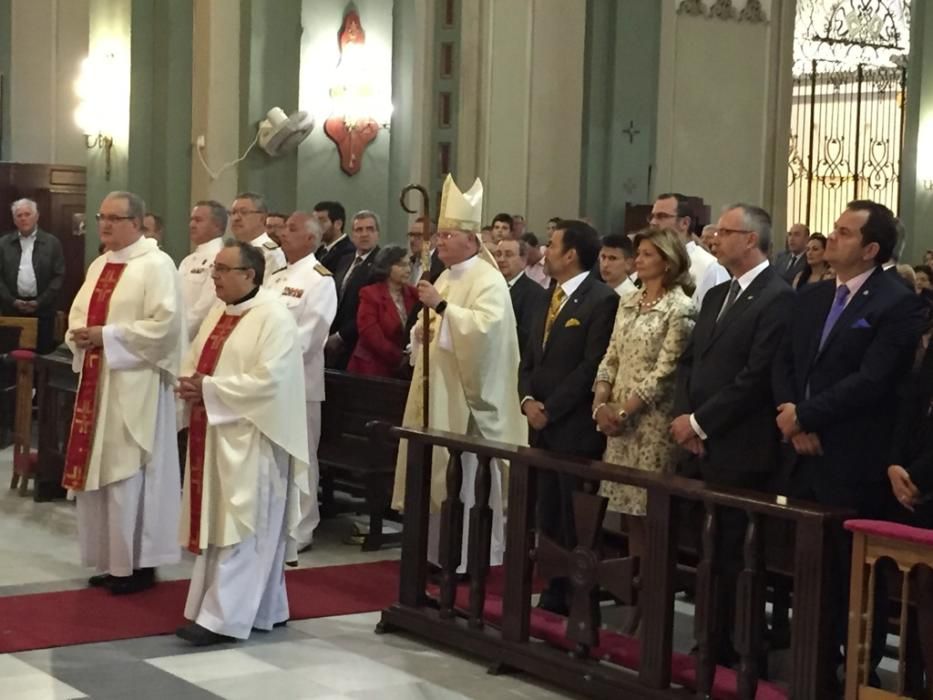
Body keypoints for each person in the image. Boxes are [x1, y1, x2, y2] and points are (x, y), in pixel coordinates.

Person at [773, 199, 927, 687]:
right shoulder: (814, 295)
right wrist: (793, 418)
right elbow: (787, 361)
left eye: (843, 232)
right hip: (801, 453)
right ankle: (810, 661)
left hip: (853, 455)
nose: (831, 237)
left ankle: (858, 668)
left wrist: (808, 414)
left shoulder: (896, 302)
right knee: (809, 569)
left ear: (872, 248)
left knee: (854, 576)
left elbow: (874, 379)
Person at [670, 204, 794, 663]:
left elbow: (756, 376)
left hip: (742, 446)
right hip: (701, 442)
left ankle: (742, 645)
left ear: (751, 240)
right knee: (707, 550)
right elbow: (691, 362)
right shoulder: (719, 292)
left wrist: (701, 422)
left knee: (737, 553)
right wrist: (686, 418)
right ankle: (712, 637)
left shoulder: (776, 297)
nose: (714, 238)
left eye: (725, 231)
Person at [392, 174, 527, 574]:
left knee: (465, 479)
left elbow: (485, 334)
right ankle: (435, 554)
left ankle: (468, 558)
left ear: (472, 240)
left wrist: (443, 310)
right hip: (438, 393)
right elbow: (428, 330)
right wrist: (422, 329)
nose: (440, 242)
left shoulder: (488, 281)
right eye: (440, 235)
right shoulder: (447, 276)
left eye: (448, 235)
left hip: (467, 401)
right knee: (436, 476)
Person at [177, 240, 309, 646]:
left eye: (222, 269)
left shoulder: (274, 317)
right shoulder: (221, 310)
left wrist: (210, 389)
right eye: (214, 268)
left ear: (249, 275)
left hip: (255, 439)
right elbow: (196, 358)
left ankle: (222, 619)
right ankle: (267, 607)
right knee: (224, 522)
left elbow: (271, 381)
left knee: (244, 526)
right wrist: (191, 384)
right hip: (217, 434)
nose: (213, 276)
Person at [64, 190, 184, 595]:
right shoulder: (100, 263)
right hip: (97, 386)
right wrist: (79, 336)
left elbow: (165, 327)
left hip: (137, 388)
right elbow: (79, 312)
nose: (105, 225)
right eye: (102, 217)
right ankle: (110, 561)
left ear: (137, 222)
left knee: (130, 474)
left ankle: (138, 565)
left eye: (115, 218)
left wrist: (107, 336)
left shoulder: (157, 265)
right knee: (100, 477)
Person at [518, 219, 618, 615]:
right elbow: (528, 356)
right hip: (540, 422)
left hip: (573, 426)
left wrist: (552, 408)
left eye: (552, 244)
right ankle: (553, 586)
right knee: (548, 511)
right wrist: (526, 398)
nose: (545, 250)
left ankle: (579, 595)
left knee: (575, 514)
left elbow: (592, 365)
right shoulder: (546, 295)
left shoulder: (601, 299)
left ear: (571, 254)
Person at [592, 228, 695, 578]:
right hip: (617, 423)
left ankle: (653, 590)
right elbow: (611, 356)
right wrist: (600, 404)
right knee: (627, 514)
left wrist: (623, 411)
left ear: (667, 262)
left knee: (650, 513)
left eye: (648, 254)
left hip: (651, 425)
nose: (638, 260)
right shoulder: (629, 301)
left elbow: (665, 372)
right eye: (638, 254)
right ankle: (632, 583)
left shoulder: (679, 308)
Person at [268, 212, 337, 557]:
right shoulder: (276, 276)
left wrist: (267, 357)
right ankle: (277, 521)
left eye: (292, 229)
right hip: (268, 384)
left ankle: (303, 526)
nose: (283, 233)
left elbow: (310, 335)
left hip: (300, 382)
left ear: (311, 239)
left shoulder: (319, 279)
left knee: (302, 456)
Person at [0, 198, 66, 353]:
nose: (23, 218)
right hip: (12, 311)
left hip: (43, 311)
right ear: (14, 220)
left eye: (27, 214)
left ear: (36, 217)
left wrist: (40, 301)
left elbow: (59, 276)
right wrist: (12, 300)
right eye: (19, 215)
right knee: (10, 358)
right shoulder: (3, 244)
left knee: (41, 356)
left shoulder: (52, 243)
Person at [348, 246, 417, 377]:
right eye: (401, 265)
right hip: (371, 368)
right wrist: (399, 357)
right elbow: (369, 333)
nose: (408, 269)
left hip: (403, 370)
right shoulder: (370, 294)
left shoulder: (414, 294)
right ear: (387, 266)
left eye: (409, 264)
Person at [648, 193, 728, 305]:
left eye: (662, 216)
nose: (653, 223)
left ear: (684, 223)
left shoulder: (709, 267)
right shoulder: (651, 261)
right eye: (652, 217)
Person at [326, 210, 381, 369]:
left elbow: (371, 310)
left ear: (377, 234)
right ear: (352, 234)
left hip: (358, 343)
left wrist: (341, 336)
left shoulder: (381, 264)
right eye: (359, 230)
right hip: (332, 340)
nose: (364, 234)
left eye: (370, 229)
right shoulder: (345, 260)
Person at [179, 200, 226, 339]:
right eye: (191, 220)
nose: (192, 225)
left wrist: (178, 336)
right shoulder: (187, 260)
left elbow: (204, 308)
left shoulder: (220, 259)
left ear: (217, 225)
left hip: (196, 337)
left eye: (198, 220)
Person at [495, 238, 547, 360]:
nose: (501, 260)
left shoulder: (535, 293)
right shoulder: (489, 287)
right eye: (498, 255)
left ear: (523, 260)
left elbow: (527, 336)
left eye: (508, 255)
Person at [228, 192, 286, 285]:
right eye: (233, 212)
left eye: (244, 212)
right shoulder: (230, 249)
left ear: (262, 218)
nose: (235, 218)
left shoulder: (271, 254)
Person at [313, 200, 353, 273]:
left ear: (338, 224)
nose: (316, 226)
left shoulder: (348, 251)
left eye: (322, 221)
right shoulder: (320, 251)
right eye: (314, 221)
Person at [407, 217, 444, 285]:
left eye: (418, 235)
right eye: (411, 235)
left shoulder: (442, 265)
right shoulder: (409, 263)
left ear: (434, 238)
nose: (412, 240)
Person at [599, 233, 637, 297]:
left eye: (612, 258)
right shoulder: (595, 292)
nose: (605, 264)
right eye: (603, 257)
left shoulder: (632, 297)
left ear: (628, 263)